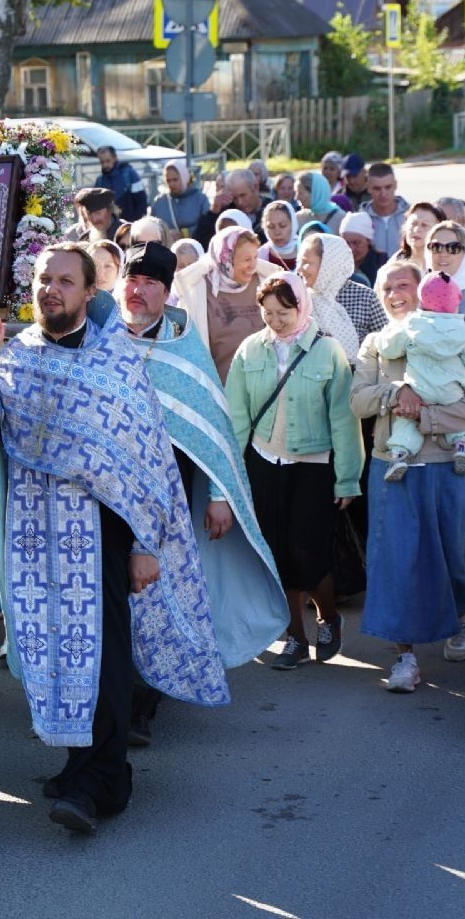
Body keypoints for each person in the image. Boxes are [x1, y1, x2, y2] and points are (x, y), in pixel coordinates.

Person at [0, 244, 229, 833]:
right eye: (42, 279)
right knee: (53, 653)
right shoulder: (15, 358)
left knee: (103, 660)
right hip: (34, 536)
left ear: (88, 293)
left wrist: (143, 546)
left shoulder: (116, 364)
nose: (50, 289)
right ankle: (78, 763)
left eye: (64, 281)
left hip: (101, 537)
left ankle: (102, 784)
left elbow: (147, 464)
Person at [117, 242, 288, 741]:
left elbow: (211, 424)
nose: (138, 290)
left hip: (168, 495)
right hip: (107, 492)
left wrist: (217, 494)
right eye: (132, 279)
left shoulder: (181, 339)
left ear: (167, 293)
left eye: (151, 283)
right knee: (115, 598)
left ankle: (144, 703)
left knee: (156, 593)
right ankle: (116, 698)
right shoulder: (99, 334)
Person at [352, 261, 465, 691]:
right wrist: (397, 393)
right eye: (386, 288)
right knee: (396, 562)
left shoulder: (456, 334)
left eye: (403, 285)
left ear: (423, 290)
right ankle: (404, 657)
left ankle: (462, 612)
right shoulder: (376, 343)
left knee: (450, 555)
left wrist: (425, 417)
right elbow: (358, 401)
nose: (395, 294)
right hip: (393, 466)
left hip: (450, 464)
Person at [227, 272, 363, 670]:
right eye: (267, 312)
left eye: (283, 312)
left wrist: (348, 477)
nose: (275, 320)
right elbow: (238, 417)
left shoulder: (328, 351)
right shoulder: (250, 350)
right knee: (275, 552)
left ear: (301, 306)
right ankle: (295, 639)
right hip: (263, 461)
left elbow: (344, 419)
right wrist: (231, 475)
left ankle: (328, 616)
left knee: (310, 552)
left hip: (313, 465)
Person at [373, 271, 465, 480]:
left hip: (420, 389)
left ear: (422, 300)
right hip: (452, 390)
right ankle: (461, 446)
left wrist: (380, 340)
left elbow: (389, 349)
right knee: (459, 423)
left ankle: (400, 454)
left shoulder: (412, 324)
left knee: (408, 422)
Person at [172, 227, 281, 383]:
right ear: (226, 258)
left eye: (255, 257)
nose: (252, 265)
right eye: (246, 259)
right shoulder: (198, 290)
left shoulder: (266, 282)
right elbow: (188, 348)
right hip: (221, 392)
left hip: (266, 389)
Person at [296, 233, 388, 355]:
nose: (299, 269)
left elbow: (385, 343)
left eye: (306, 262)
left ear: (329, 263)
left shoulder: (365, 297)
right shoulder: (299, 298)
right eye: (299, 262)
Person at [193, 169, 261, 251]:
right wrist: (213, 212)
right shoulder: (227, 212)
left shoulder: (270, 211)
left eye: (243, 195)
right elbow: (200, 242)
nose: (240, 202)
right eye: (235, 198)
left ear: (256, 187)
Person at [151, 159, 207, 238]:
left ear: (184, 177)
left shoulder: (200, 199)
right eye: (168, 180)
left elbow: (207, 226)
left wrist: (184, 233)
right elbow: (152, 227)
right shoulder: (159, 202)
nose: (172, 184)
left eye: (175, 179)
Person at [364, 163, 409, 257]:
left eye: (388, 187)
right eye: (377, 188)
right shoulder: (360, 219)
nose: (383, 194)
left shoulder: (411, 217)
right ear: (368, 188)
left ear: (395, 185)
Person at [94, 146, 148, 223]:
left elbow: (141, 201)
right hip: (110, 228)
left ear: (115, 158)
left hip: (131, 225)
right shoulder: (99, 181)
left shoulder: (129, 174)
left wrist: (138, 224)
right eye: (102, 162)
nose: (105, 165)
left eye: (108, 161)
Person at [339, 210, 385, 285]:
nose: (351, 249)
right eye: (346, 243)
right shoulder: (337, 264)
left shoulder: (381, 263)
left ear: (368, 240)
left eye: (356, 243)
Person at [259, 200, 300, 268]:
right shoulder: (259, 256)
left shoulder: (305, 252)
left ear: (293, 225)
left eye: (282, 226)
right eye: (271, 227)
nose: (277, 232)